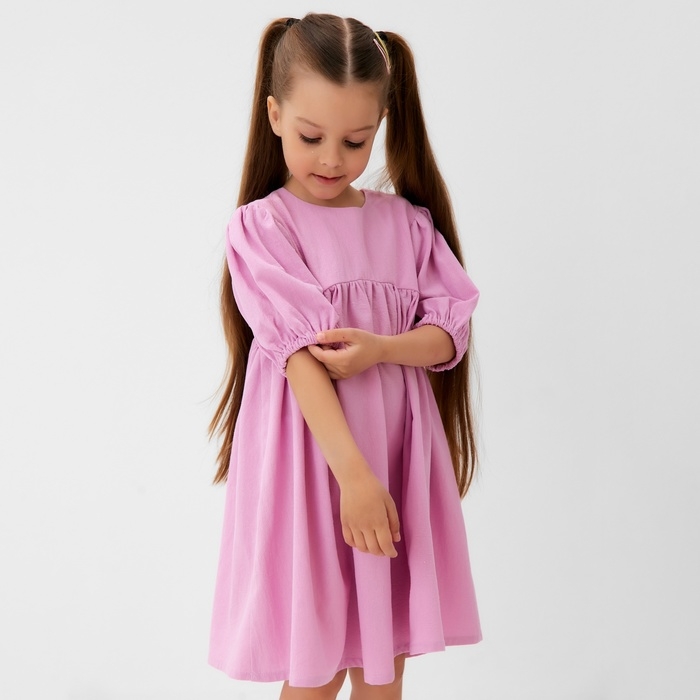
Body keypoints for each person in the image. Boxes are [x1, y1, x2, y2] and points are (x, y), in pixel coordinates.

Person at [208, 13, 482, 700]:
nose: (332, 159)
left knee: (385, 663)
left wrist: (381, 349)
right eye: (312, 137)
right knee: (319, 667)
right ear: (275, 115)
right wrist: (354, 479)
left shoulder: (405, 224)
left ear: (381, 123)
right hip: (320, 464)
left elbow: (448, 331)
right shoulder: (263, 226)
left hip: (391, 458)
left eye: (355, 141)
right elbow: (298, 356)